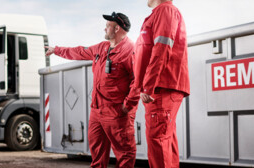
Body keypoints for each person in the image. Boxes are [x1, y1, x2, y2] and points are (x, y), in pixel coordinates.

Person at [46, 12, 139, 168]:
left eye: (107, 26)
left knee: (124, 154)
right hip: (97, 111)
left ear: (117, 28)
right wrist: (56, 49)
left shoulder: (130, 50)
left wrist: (127, 106)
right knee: (97, 154)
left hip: (117, 112)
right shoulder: (101, 48)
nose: (104, 28)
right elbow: (79, 51)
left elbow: (138, 81)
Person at [133, 0, 190, 167]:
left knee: (158, 142)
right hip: (160, 87)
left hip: (160, 88)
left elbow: (162, 48)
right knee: (165, 141)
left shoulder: (165, 10)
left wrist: (148, 86)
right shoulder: (159, 13)